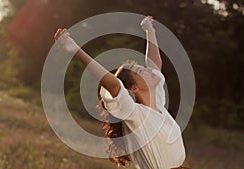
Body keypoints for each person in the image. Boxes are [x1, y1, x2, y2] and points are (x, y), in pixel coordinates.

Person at [54, 16, 189, 169]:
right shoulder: (136, 114)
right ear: (134, 88)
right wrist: (75, 49)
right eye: (141, 71)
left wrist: (149, 30)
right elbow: (113, 84)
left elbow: (154, 61)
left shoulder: (157, 101)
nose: (148, 70)